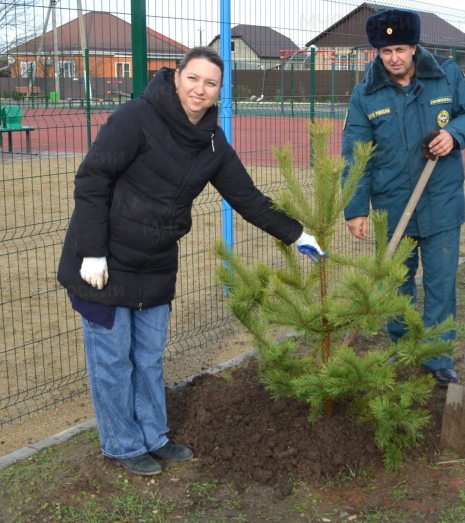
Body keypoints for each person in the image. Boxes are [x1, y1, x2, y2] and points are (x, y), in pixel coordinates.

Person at [57, 46, 325, 477]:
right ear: (176, 76)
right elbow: (92, 180)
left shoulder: (213, 142)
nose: (200, 89)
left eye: (211, 83)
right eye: (193, 78)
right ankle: (122, 445)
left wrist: (296, 233)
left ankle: (154, 436)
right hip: (104, 261)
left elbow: (247, 198)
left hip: (157, 263)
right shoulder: (135, 118)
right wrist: (92, 250)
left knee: (147, 357)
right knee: (112, 360)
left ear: (221, 90)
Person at [342, 8, 465, 386]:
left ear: (414, 47)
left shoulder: (446, 75)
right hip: (391, 206)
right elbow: (356, 155)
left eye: (400, 49)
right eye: (385, 50)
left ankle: (437, 357)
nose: (393, 57)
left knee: (441, 283)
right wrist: (356, 209)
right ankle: (404, 346)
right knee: (397, 283)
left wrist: (454, 134)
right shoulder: (366, 94)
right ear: (377, 52)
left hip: (441, 202)